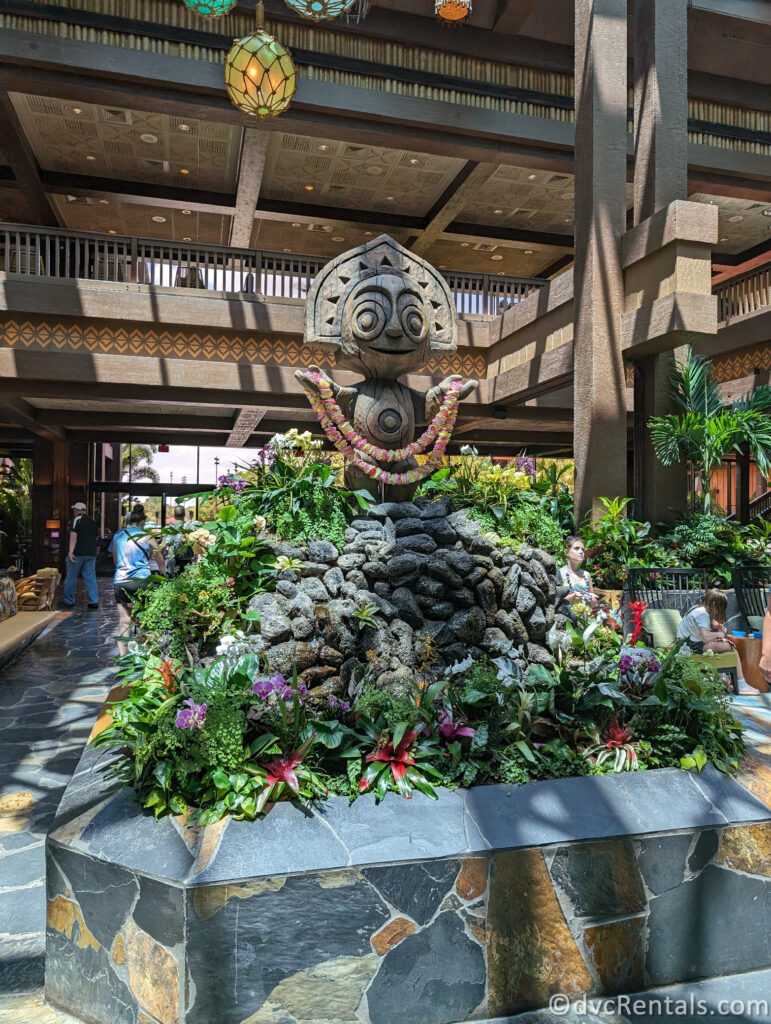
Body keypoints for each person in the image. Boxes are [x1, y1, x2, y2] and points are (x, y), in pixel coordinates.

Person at [677, 588, 757, 696]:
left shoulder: (698, 608)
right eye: (719, 608)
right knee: (731, 646)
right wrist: (720, 635)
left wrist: (718, 627)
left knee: (723, 643)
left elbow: (706, 627)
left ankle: (726, 681)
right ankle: (742, 685)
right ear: (714, 604)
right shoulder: (703, 615)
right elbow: (705, 637)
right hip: (692, 648)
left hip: (686, 645)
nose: (718, 612)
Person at [112, 504, 165, 654]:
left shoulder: (118, 535)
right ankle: (147, 656)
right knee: (145, 619)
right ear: (143, 521)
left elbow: (115, 560)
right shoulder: (147, 536)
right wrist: (164, 574)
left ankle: (123, 658)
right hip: (142, 581)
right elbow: (159, 558)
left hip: (121, 581)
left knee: (124, 621)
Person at [59, 501, 100, 609]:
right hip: (91, 553)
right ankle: (94, 601)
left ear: (78, 511)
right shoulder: (92, 522)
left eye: (75, 510)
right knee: (90, 577)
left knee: (71, 577)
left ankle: (69, 601)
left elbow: (73, 537)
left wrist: (70, 552)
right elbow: (96, 536)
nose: (74, 511)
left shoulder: (75, 521)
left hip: (78, 554)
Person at [558, 535, 597, 604]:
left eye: (582, 549)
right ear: (567, 551)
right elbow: (556, 601)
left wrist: (592, 600)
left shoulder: (586, 575)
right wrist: (574, 595)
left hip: (584, 613)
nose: (581, 552)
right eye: (576, 548)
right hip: (565, 614)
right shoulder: (560, 573)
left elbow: (593, 605)